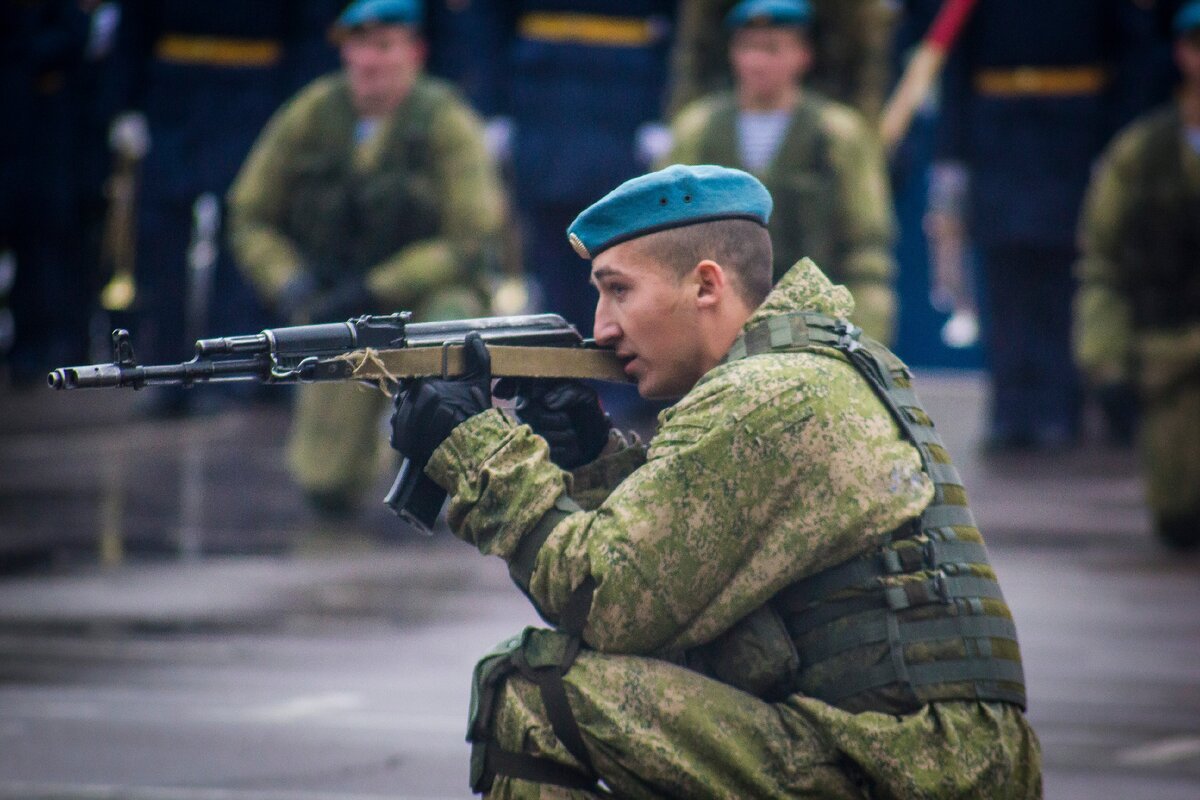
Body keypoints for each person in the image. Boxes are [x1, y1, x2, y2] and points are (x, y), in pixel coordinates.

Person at [387, 163, 1040, 797]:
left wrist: (476, 451)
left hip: (900, 765)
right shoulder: (808, 365)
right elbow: (674, 593)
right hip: (920, 758)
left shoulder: (767, 393)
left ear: (706, 285)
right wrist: (590, 458)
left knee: (536, 690)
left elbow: (608, 602)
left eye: (618, 290)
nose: (601, 328)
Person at [227, 0, 504, 516]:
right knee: (325, 483)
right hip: (339, 307)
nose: (370, 61)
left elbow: (470, 238)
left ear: (415, 52)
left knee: (450, 334)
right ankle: (362, 451)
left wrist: (380, 286)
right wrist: (289, 280)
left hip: (424, 300)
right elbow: (249, 213)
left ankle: (455, 463)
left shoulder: (446, 120)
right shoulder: (312, 114)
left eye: (385, 46)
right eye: (358, 46)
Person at [928, 0, 1161, 451]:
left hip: (1074, 127)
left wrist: (1115, 143)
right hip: (996, 128)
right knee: (1002, 271)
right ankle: (1010, 406)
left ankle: (1060, 405)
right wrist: (951, 151)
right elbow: (956, 59)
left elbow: (1132, 53)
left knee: (1065, 269)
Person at [668, 0, 898, 345]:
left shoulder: (838, 135)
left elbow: (866, 251)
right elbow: (664, 238)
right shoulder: (697, 130)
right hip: (714, 326)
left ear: (803, 55)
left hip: (814, 325)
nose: (758, 62)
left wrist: (859, 335)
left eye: (773, 49)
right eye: (748, 47)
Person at [1073, 0, 1200, 551]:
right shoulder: (1142, 152)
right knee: (1177, 515)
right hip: (1167, 351)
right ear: (1182, 52)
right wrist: (1106, 357)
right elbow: (1102, 261)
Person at [668, 0, 896, 122]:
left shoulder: (841, 132)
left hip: (825, 100)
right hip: (727, 102)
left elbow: (863, 58)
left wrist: (866, 126)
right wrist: (685, 117)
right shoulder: (698, 125)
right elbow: (697, 51)